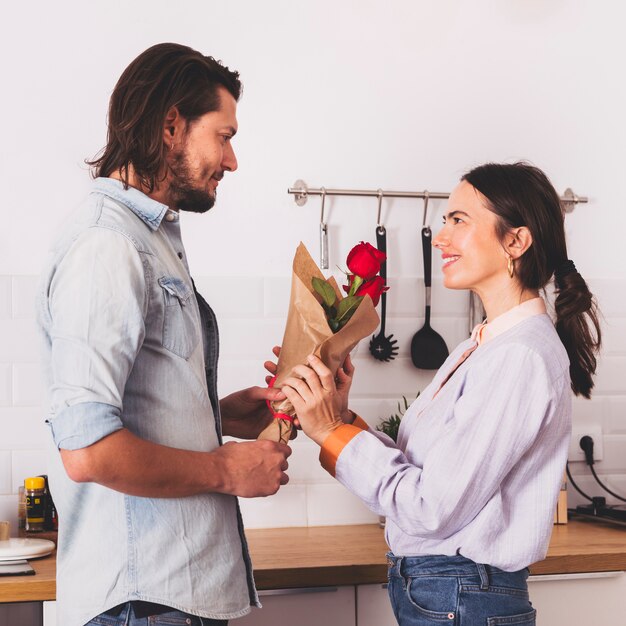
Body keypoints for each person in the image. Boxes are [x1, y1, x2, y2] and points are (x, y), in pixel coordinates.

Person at [36, 43, 292, 626]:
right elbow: (89, 451)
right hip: (143, 602)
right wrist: (228, 468)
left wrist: (221, 416)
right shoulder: (107, 246)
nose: (232, 161)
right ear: (171, 125)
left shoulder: (145, 240)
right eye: (223, 136)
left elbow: (134, 408)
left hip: (163, 599)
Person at [280, 162, 601, 626]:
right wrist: (339, 417)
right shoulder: (484, 343)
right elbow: (425, 470)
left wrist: (330, 431)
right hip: (449, 592)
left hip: (462, 593)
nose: (440, 237)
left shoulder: (520, 356)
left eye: (458, 221)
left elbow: (433, 508)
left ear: (516, 241)